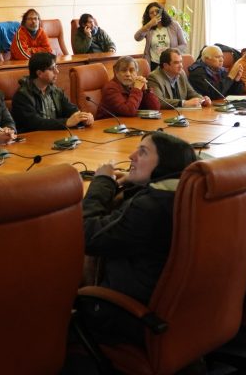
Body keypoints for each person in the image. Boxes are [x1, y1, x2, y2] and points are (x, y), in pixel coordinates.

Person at [82, 131, 197, 344]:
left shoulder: (149, 209)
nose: (132, 156)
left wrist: (102, 182)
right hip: (185, 313)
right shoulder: (184, 194)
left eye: (142, 152)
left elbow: (87, 234)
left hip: (130, 316)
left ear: (164, 165)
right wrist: (136, 183)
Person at [11, 52, 93, 133]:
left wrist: (83, 118)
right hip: (32, 141)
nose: (57, 71)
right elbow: (35, 123)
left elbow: (71, 110)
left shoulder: (55, 91)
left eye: (56, 67)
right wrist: (66, 122)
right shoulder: (22, 96)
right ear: (39, 73)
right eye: (52, 69)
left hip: (54, 136)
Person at [134, 2, 187, 71]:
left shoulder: (174, 25)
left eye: (157, 11)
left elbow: (183, 44)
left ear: (162, 12)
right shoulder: (148, 28)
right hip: (154, 63)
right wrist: (148, 25)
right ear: (148, 16)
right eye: (151, 13)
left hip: (170, 63)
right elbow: (137, 38)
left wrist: (171, 52)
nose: (155, 14)